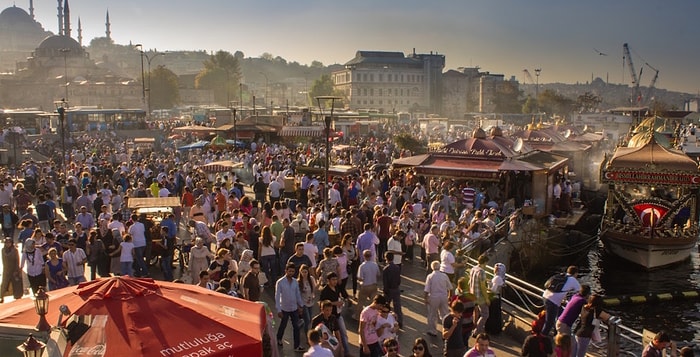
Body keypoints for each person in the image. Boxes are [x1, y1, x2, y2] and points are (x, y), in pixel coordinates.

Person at [542, 266, 581, 336]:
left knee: (560, 315)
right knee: (549, 322)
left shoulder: (562, 275)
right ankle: (541, 339)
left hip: (545, 296)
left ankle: (557, 334)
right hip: (553, 301)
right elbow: (581, 292)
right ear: (575, 273)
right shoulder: (573, 280)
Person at [275, 262, 305, 352]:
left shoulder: (295, 282)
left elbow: (297, 294)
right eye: (290, 271)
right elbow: (277, 296)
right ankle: (279, 338)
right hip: (284, 308)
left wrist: (301, 305)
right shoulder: (280, 282)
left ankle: (297, 346)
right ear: (286, 271)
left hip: (294, 308)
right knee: (283, 325)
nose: (291, 273)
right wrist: (278, 310)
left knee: (296, 327)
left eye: (293, 271)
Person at [424, 260, 452, 337]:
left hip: (434, 297)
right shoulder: (444, 276)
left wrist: (425, 298)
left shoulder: (430, 276)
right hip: (443, 296)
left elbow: (427, 289)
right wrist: (449, 296)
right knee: (445, 313)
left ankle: (432, 330)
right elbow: (450, 287)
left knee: (432, 314)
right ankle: (446, 329)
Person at [469, 254, 490, 337]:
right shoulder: (481, 271)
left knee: (475, 312)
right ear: (484, 262)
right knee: (485, 314)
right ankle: (477, 331)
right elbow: (483, 287)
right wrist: (487, 298)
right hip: (479, 296)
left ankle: (474, 327)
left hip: (472, 293)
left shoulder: (473, 268)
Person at [356, 249, 381, 320]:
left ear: (364, 256)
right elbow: (378, 274)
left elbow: (360, 278)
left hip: (365, 286)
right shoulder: (375, 264)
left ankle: (358, 316)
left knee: (361, 302)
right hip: (373, 285)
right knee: (373, 302)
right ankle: (374, 316)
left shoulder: (362, 266)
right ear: (371, 256)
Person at [382, 252, 403, 328]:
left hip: (389, 290)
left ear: (386, 258)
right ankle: (400, 321)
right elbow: (399, 279)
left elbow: (385, 282)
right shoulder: (397, 267)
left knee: (385, 306)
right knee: (397, 306)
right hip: (396, 288)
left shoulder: (386, 269)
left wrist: (385, 290)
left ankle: (385, 319)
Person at [486, 262, 506, 335]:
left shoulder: (497, 278)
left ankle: (492, 330)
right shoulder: (500, 277)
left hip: (494, 298)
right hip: (497, 298)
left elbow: (493, 290)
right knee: (496, 315)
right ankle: (495, 330)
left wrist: (488, 287)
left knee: (492, 315)